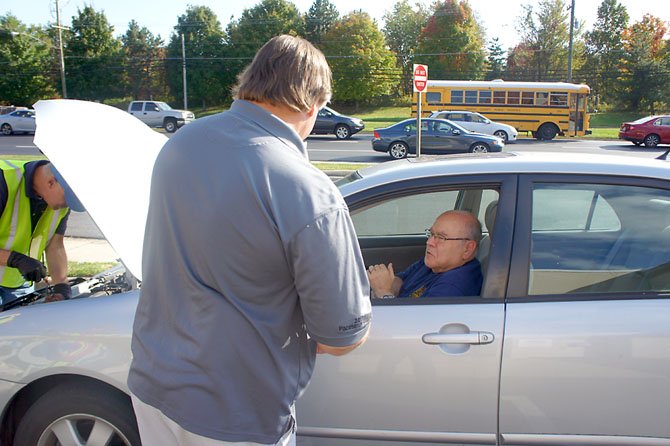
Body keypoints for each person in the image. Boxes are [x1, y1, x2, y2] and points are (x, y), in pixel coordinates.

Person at [128, 35, 371, 445]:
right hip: (235, 416)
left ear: (250, 83)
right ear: (314, 104)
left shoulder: (182, 142)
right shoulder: (305, 187)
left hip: (153, 389)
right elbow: (341, 337)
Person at [0, 160, 85, 305]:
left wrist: (61, 287)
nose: (65, 206)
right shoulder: (4, 182)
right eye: (66, 200)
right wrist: (16, 259)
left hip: (17, 285)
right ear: (51, 182)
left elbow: (55, 245)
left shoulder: (60, 201)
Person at [368, 210, 483, 299]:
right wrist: (382, 283)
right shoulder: (433, 264)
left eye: (441, 238)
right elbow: (399, 281)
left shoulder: (453, 287)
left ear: (468, 249)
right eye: (431, 234)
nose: (429, 242)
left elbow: (408, 326)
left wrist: (383, 292)